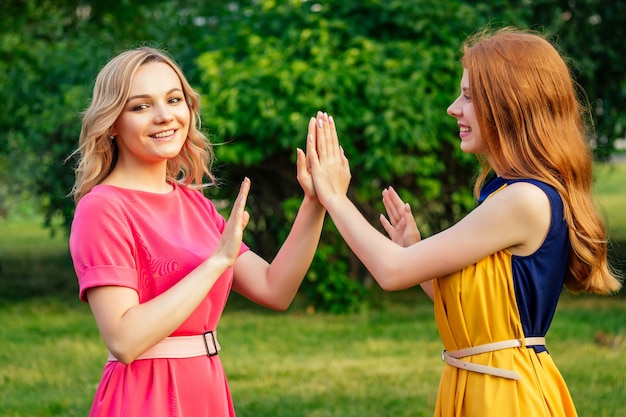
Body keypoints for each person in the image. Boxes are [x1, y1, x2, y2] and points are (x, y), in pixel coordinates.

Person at [306, 27, 622, 416]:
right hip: (478, 386)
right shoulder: (508, 193)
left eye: (470, 97)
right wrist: (413, 252)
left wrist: (335, 198)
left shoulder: (525, 199)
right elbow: (467, 311)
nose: (454, 108)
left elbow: (389, 272)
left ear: (511, 105)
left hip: (506, 398)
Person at [68, 46, 326, 416]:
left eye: (174, 100)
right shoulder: (103, 207)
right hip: (146, 396)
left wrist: (314, 203)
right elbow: (124, 339)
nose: (164, 116)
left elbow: (275, 288)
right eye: (141, 106)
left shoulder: (195, 205)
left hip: (206, 389)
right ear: (111, 123)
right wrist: (217, 261)